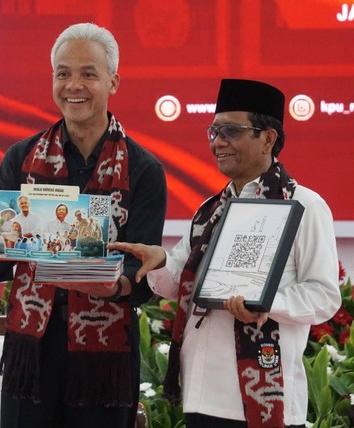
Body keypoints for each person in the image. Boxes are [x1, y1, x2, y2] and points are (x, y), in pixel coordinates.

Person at [0, 22, 167, 428]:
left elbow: (141, 269)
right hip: (32, 350)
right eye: (63, 73)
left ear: (113, 81)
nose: (73, 85)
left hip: (103, 359)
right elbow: (2, 258)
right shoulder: (21, 158)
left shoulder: (144, 169)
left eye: (88, 73)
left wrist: (116, 285)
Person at [109, 79, 341, 428]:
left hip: (263, 395)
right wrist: (157, 262)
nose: (218, 142)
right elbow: (181, 284)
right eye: (214, 132)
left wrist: (264, 303)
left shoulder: (304, 205)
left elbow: (324, 295)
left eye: (231, 131)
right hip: (202, 390)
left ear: (268, 138)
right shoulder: (210, 210)